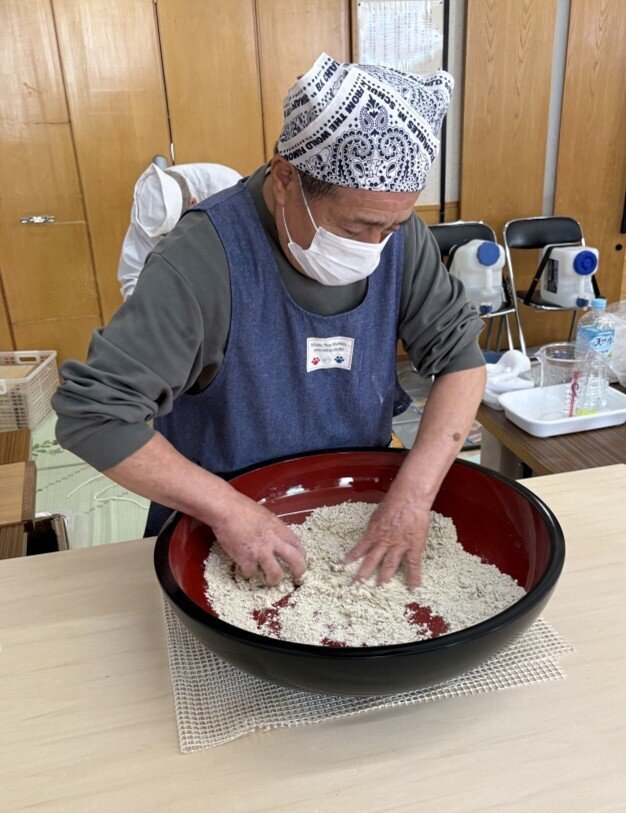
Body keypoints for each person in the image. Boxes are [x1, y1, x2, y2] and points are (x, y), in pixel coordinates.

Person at [53, 53, 486, 590]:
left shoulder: (398, 233)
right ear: (286, 179)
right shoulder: (203, 259)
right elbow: (93, 414)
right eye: (358, 227)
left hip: (356, 500)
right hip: (219, 519)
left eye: (395, 226)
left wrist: (412, 497)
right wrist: (227, 509)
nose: (377, 249)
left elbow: (461, 363)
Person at [118, 161, 241, 298]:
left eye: (170, 233)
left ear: (194, 204)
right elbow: (133, 274)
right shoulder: (147, 208)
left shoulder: (229, 189)